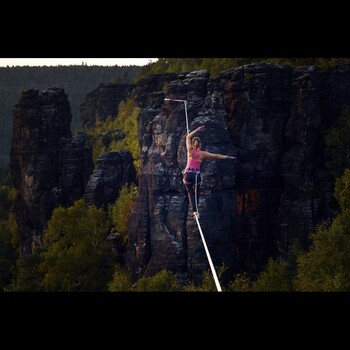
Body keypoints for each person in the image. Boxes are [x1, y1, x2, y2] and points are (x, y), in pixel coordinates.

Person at [183, 125, 236, 218]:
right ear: (200, 144)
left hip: (187, 175)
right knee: (196, 193)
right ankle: (196, 211)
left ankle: (194, 211)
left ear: (193, 144)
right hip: (196, 176)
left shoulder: (189, 150)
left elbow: (188, 137)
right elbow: (216, 155)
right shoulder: (203, 154)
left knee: (190, 193)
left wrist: (196, 130)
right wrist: (228, 157)